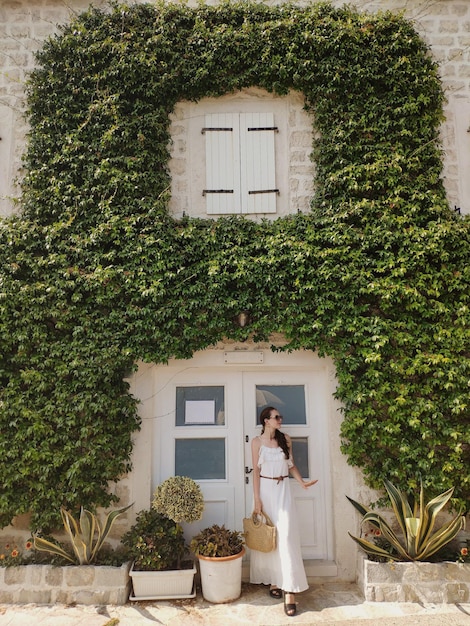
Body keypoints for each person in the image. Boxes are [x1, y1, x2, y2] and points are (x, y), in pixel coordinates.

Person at [249, 406, 318, 617]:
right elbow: (256, 472)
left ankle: (290, 591)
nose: (280, 420)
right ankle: (274, 581)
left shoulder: (285, 439)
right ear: (266, 421)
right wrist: (257, 500)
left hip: (283, 491)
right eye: (276, 417)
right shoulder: (256, 442)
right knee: (271, 539)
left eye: (280, 416)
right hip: (266, 491)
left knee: (286, 537)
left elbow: (291, 466)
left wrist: (302, 483)